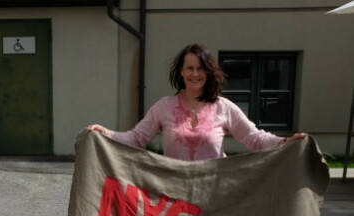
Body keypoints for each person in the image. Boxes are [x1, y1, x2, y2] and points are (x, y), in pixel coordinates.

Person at [88, 44, 308, 161]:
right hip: (174, 194)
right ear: (181, 72)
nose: (195, 74)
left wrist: (285, 143)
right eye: (190, 68)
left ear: (209, 72)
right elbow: (136, 138)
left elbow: (254, 139)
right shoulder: (163, 106)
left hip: (214, 195)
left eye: (201, 68)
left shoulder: (223, 107)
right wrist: (106, 134)